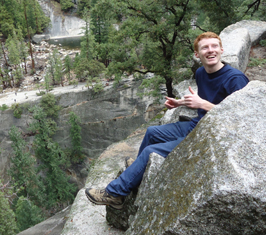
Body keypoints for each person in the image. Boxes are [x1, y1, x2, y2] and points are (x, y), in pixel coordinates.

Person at [85, 32, 249, 210]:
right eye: (205, 48)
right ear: (197, 54)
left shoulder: (235, 79)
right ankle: (137, 169)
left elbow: (242, 117)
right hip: (199, 125)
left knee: (151, 151)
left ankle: (115, 194)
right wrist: (180, 103)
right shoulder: (202, 72)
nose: (210, 51)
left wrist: (202, 104)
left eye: (214, 46)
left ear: (221, 50)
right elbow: (210, 100)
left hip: (213, 136)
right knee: (152, 132)